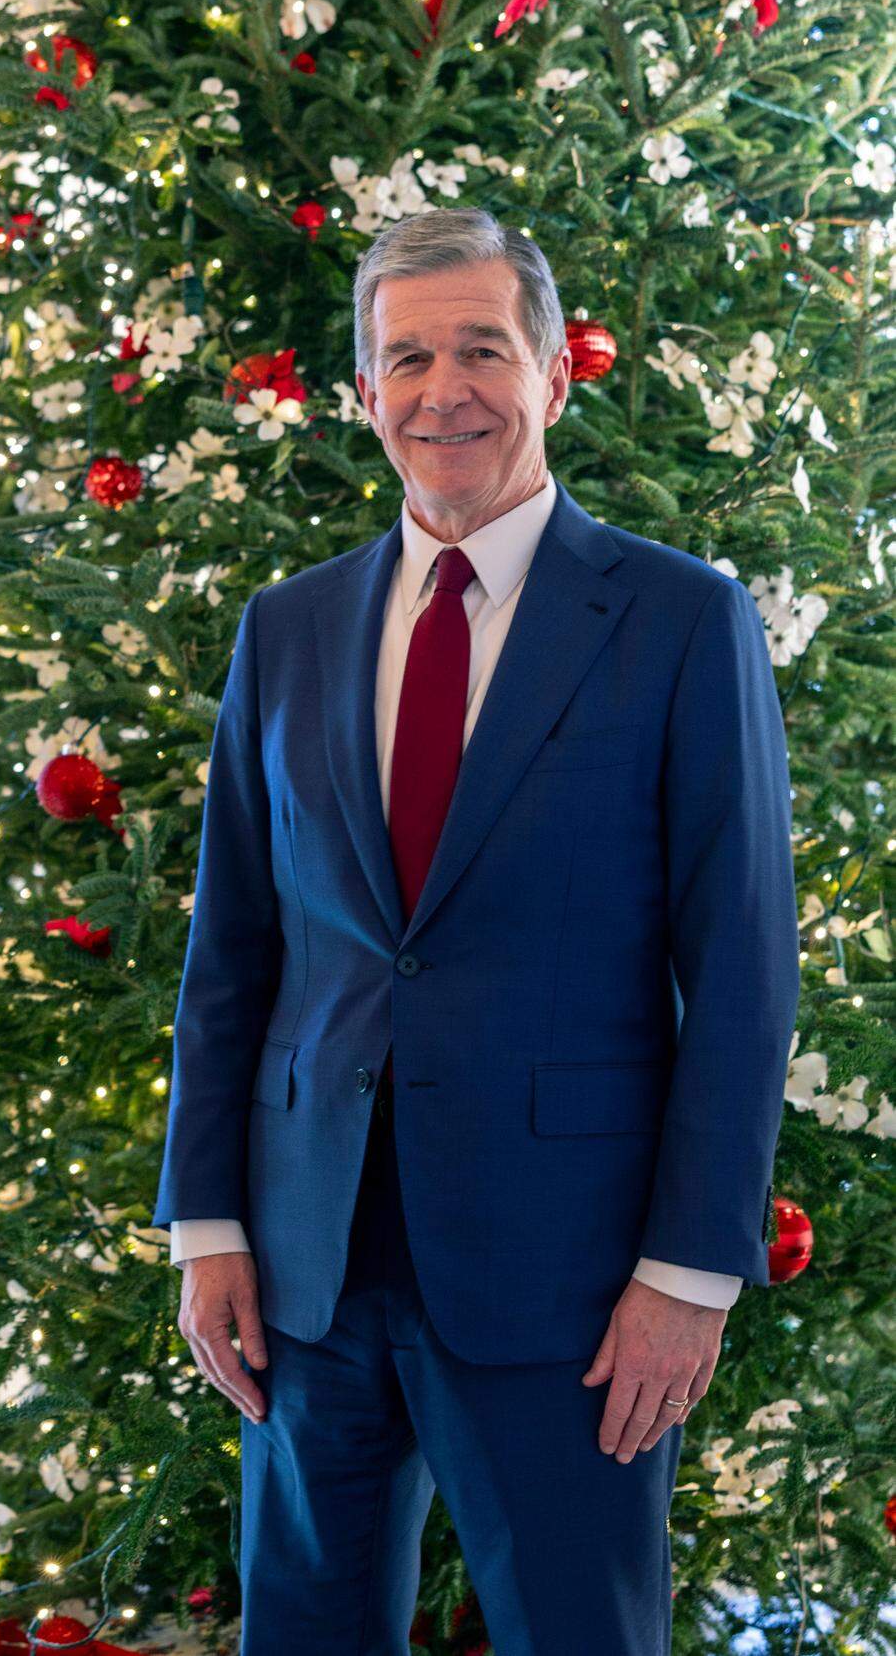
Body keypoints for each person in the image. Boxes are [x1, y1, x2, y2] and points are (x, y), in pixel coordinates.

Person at [151, 205, 800, 1654]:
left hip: (569, 1286)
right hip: (308, 1271)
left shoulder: (684, 621)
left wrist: (689, 1274)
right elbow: (235, 952)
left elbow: (747, 973)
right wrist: (207, 1224)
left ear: (556, 373)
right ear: (365, 393)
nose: (446, 389)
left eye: (483, 349)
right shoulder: (290, 628)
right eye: (408, 357)